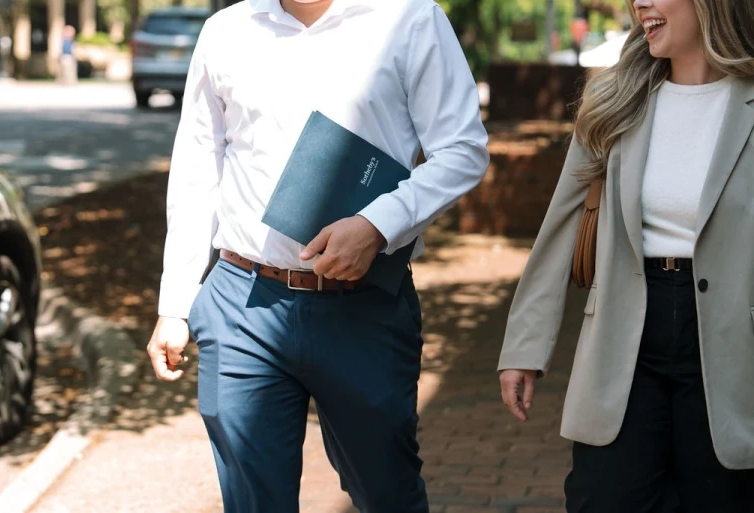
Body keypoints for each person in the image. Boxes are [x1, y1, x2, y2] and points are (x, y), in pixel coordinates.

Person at [146, 0, 489, 512]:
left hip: (363, 307)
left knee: (386, 493)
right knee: (253, 501)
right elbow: (198, 169)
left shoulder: (411, 19)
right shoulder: (225, 32)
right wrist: (174, 304)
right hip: (242, 303)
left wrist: (379, 224)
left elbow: (463, 149)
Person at [497, 0, 754, 511]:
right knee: (603, 496)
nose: (640, 4)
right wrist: (525, 346)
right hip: (625, 329)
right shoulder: (617, 99)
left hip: (731, 339)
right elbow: (562, 223)